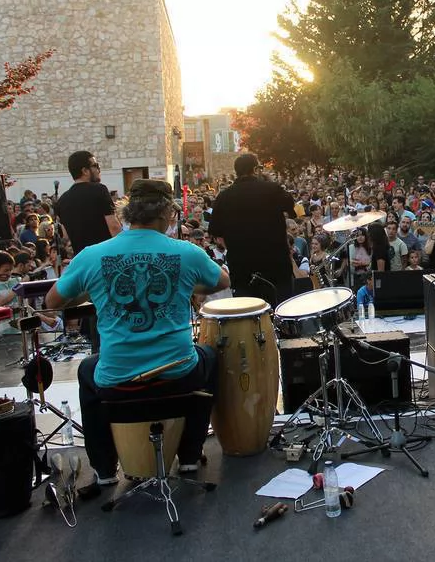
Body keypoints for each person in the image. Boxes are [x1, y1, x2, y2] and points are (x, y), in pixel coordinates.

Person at [45, 179, 230, 487]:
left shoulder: (93, 255)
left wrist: (96, 292)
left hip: (119, 386)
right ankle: (188, 456)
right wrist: (181, 286)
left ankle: (104, 469)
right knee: (208, 357)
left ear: (127, 213)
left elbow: (53, 302)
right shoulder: (186, 252)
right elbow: (221, 281)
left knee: (89, 369)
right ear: (167, 214)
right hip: (178, 379)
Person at [208, 154, 296, 306]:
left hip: (242, 268)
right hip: (276, 264)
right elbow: (290, 204)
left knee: (248, 314)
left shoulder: (224, 197)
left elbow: (215, 231)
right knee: (282, 310)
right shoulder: (271, 189)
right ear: (255, 169)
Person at [55, 151, 122, 256]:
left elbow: (66, 237)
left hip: (82, 260)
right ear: (85, 171)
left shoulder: (62, 201)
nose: (99, 170)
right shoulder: (100, 190)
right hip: (105, 258)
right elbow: (114, 227)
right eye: (95, 166)